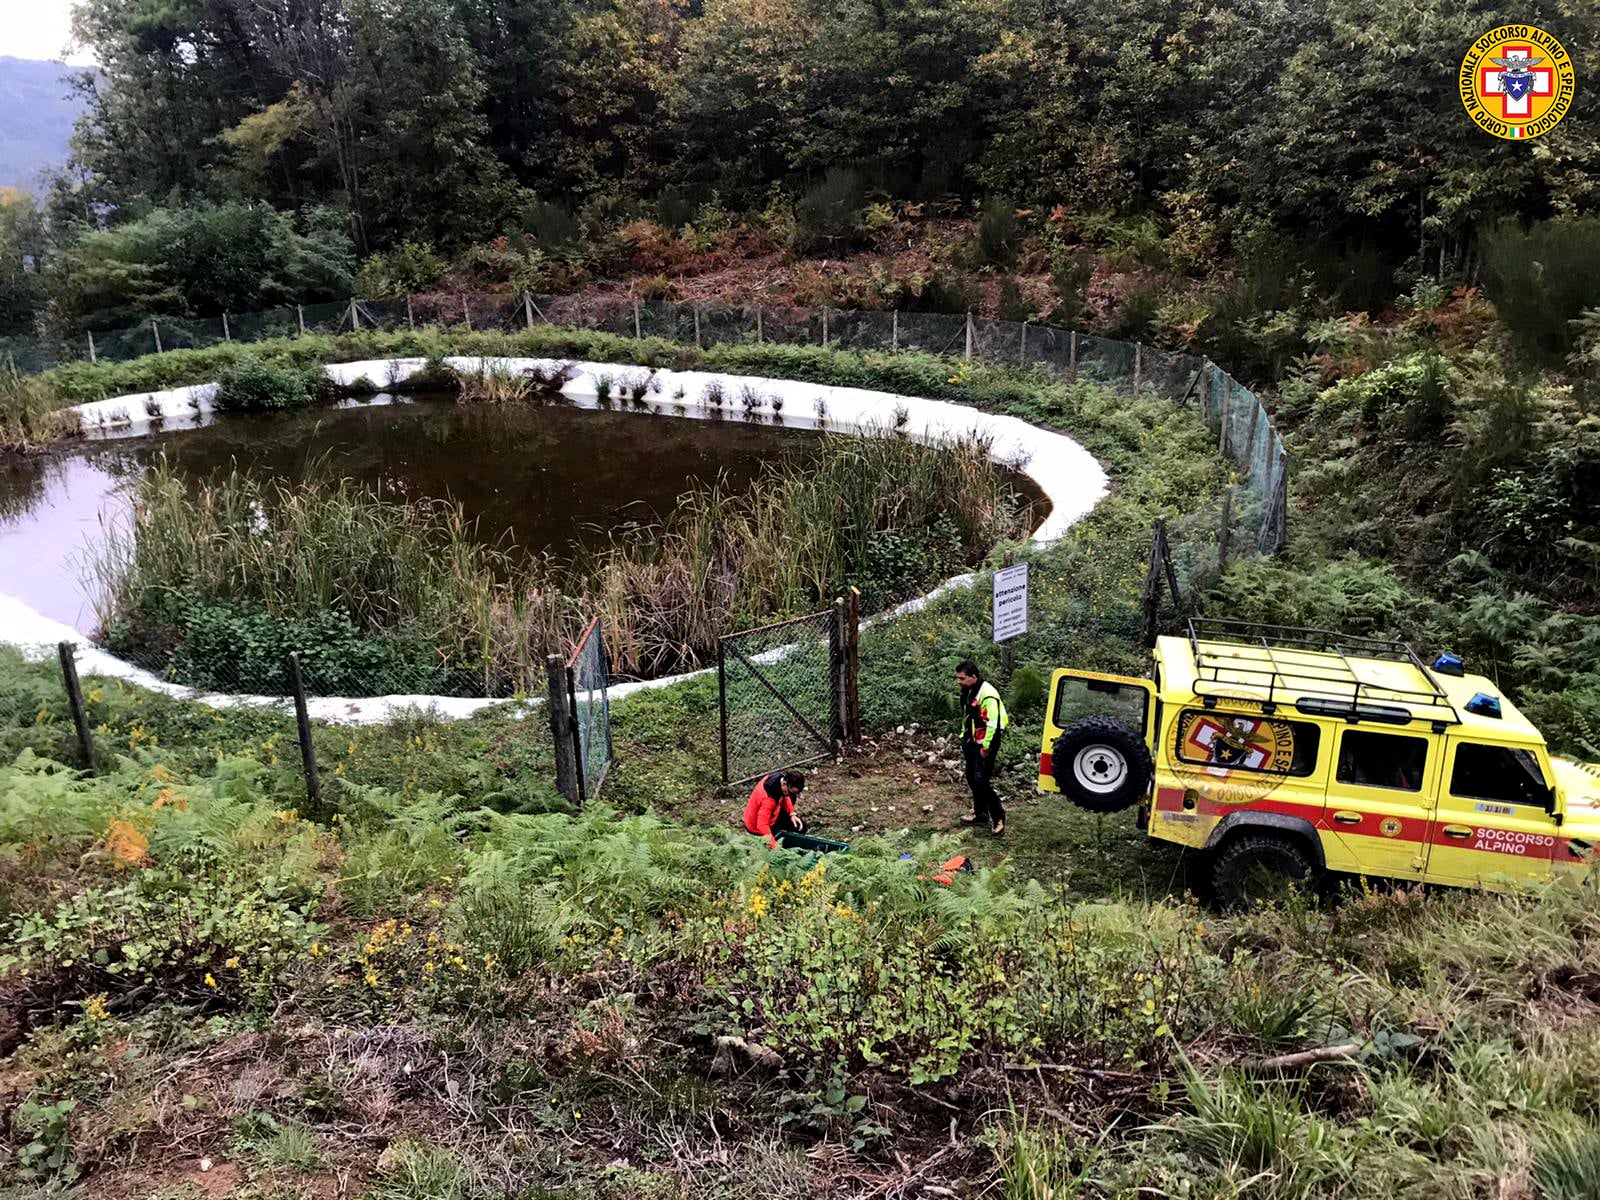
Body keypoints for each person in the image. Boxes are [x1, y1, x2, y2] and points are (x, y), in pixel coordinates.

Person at [956, 660, 1010, 835]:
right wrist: (965, 737)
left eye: (962, 678)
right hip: (972, 739)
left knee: (981, 780)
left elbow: (993, 724)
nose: (959, 682)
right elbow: (968, 716)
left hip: (987, 741)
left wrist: (986, 747)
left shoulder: (988, 694)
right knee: (971, 777)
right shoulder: (970, 689)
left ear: (973, 676)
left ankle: (998, 817)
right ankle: (980, 814)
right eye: (958, 678)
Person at [744, 770, 808, 849]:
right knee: (781, 844)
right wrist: (775, 846)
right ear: (785, 783)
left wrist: (792, 814)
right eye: (791, 792)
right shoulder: (768, 799)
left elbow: (785, 797)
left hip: (771, 815)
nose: (790, 795)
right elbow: (762, 825)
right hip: (755, 827)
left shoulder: (779, 778)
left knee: (800, 826)